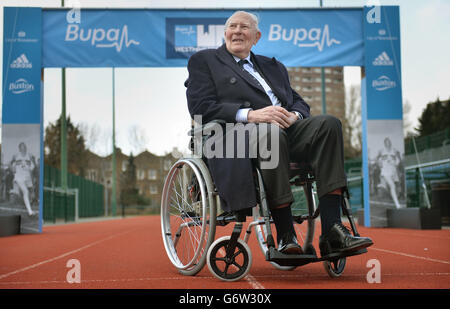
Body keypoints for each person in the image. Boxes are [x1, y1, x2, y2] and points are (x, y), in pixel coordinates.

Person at [186, 11, 373, 256]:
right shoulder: (205, 60)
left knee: (329, 124)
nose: (238, 31)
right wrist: (251, 115)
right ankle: (286, 234)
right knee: (270, 134)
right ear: (225, 33)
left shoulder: (272, 66)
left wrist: (295, 116)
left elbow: (298, 102)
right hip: (235, 136)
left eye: (245, 27)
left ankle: (333, 231)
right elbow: (200, 107)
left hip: (284, 129)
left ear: (256, 36)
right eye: (233, 26)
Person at [10, 142, 36, 216]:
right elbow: (11, 165)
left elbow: (33, 167)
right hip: (19, 177)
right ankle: (30, 212)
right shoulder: (16, 156)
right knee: (26, 192)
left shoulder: (29, 156)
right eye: (22, 147)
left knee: (31, 192)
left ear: (26, 148)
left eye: (24, 147)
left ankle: (15, 192)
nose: (23, 148)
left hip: (27, 177)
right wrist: (13, 169)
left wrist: (29, 168)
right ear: (19, 149)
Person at [376, 137, 402, 209]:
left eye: (389, 142)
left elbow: (398, 160)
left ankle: (382, 185)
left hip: (393, 171)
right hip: (385, 171)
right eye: (386, 142)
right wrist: (380, 164)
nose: (388, 144)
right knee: (392, 186)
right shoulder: (381, 151)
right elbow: (378, 160)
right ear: (385, 144)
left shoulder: (394, 150)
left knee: (393, 187)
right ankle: (397, 204)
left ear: (390, 143)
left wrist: (395, 162)